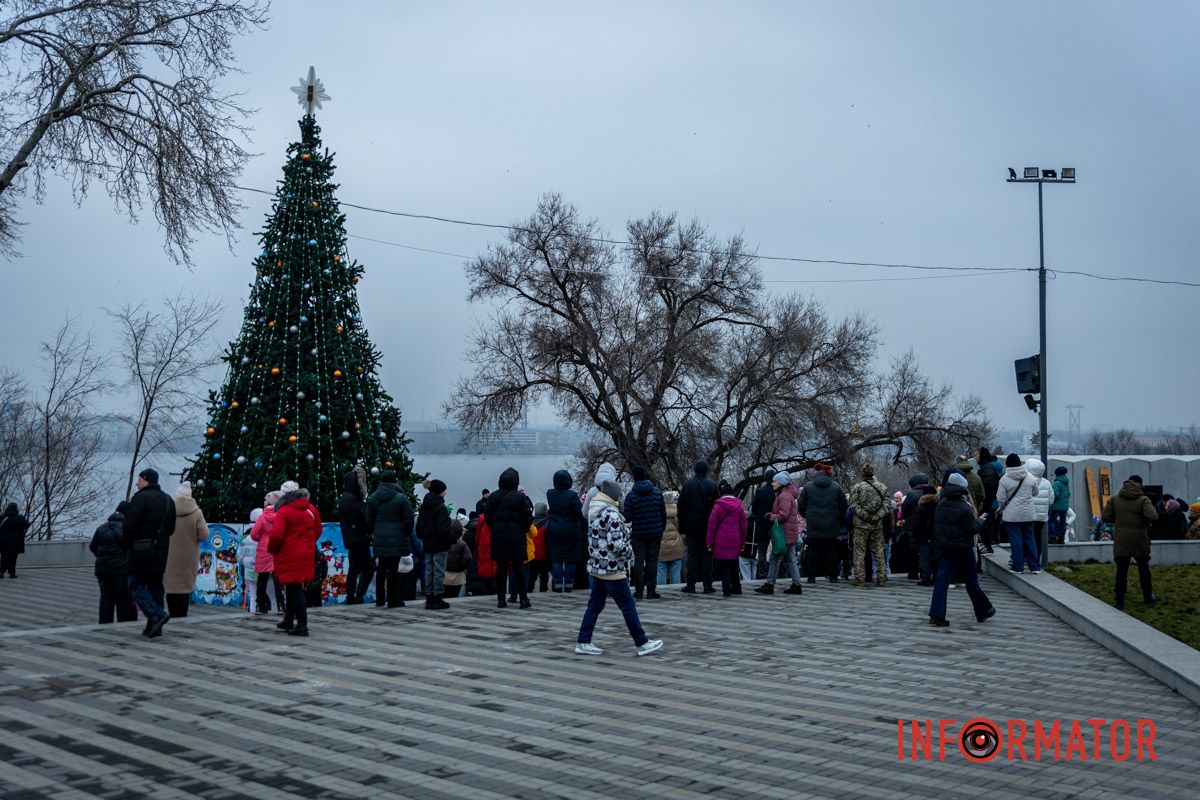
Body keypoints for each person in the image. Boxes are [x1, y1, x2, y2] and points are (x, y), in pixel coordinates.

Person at [574, 479, 663, 657]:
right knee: (628, 605)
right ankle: (642, 642)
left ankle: (583, 641)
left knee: (595, 605)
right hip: (612, 569)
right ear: (614, 496)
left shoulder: (595, 511)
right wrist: (630, 554)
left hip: (598, 567)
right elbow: (617, 544)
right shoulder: (611, 514)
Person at [928, 473, 995, 627]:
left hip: (945, 549)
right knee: (971, 581)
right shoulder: (964, 507)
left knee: (942, 582)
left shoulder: (941, 504)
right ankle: (983, 609)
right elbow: (971, 529)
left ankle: (937, 614)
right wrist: (980, 520)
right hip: (963, 549)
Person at [122, 468, 175, 638]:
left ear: (146, 480)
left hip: (140, 551)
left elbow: (129, 526)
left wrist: (129, 543)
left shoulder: (140, 498)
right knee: (156, 587)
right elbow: (171, 528)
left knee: (134, 585)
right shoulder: (168, 500)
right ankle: (154, 627)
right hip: (161, 552)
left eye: (139, 480)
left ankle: (157, 614)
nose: (137, 483)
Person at [269, 481, 322, 636]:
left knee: (294, 588)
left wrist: (272, 549)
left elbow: (277, 535)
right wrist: (308, 543)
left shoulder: (284, 511)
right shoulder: (311, 509)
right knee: (293, 586)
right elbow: (318, 530)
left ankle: (302, 624)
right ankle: (288, 619)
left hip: (288, 553)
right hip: (305, 552)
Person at [1102, 475, 1159, 610]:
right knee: (1144, 569)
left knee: (1121, 571)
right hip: (1140, 540)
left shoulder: (1115, 500)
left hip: (1122, 540)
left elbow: (1105, 516)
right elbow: (1153, 516)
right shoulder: (1143, 500)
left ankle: (1119, 601)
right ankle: (1147, 597)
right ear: (1140, 485)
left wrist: (1119, 520)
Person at [486, 467, 533, 609]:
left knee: (501, 568)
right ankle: (523, 599)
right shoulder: (520, 498)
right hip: (517, 537)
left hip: (499, 537)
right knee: (518, 567)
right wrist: (521, 530)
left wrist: (496, 529)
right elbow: (528, 518)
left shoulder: (493, 497)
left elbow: (488, 517)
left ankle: (501, 600)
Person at [366, 470, 414, 609]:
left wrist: (373, 531)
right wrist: (405, 532)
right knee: (393, 569)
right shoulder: (401, 497)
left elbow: (368, 517)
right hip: (397, 537)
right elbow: (409, 518)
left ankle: (380, 599)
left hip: (380, 536)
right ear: (395, 481)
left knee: (381, 568)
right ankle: (393, 599)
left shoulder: (374, 497)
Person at [755, 472, 805, 595]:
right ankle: (796, 584)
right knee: (791, 560)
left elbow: (783, 515)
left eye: (775, 481)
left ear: (781, 483)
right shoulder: (788, 495)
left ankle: (769, 584)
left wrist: (770, 516)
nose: (772, 484)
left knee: (774, 558)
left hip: (783, 534)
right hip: (790, 533)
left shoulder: (783, 496)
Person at [797, 463, 848, 584]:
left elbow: (801, 505)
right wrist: (838, 519)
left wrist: (807, 516)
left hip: (814, 525)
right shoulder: (836, 487)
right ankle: (833, 576)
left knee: (813, 550)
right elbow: (844, 506)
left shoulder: (808, 487)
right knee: (831, 551)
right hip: (832, 524)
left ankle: (811, 577)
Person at [622, 465, 666, 600]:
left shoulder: (631, 495)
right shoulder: (657, 493)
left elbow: (627, 517)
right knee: (653, 561)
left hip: (638, 534)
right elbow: (663, 514)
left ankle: (639, 590)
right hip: (655, 532)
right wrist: (660, 528)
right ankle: (651, 590)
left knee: (639, 561)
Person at [164, 482, 207, 619]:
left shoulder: (168, 510)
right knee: (184, 587)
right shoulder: (196, 513)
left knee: (171, 587)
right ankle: (182, 616)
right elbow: (204, 535)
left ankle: (172, 614)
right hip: (189, 556)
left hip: (169, 554)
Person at [90, 503, 137, 623]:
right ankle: (124, 623)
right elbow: (131, 549)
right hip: (121, 570)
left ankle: (104, 625)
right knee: (123, 599)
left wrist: (102, 557)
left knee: (106, 599)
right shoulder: (127, 529)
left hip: (102, 570)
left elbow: (92, 546)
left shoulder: (101, 528)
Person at [677, 459, 719, 594]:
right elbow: (716, 507)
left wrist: (682, 526)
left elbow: (681, 507)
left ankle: (691, 584)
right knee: (707, 556)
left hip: (690, 527)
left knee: (692, 555)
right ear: (706, 470)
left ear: (695, 470)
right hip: (707, 526)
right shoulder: (712, 485)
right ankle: (707, 584)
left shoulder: (688, 485)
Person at [996, 453, 1040, 574]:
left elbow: (1001, 498)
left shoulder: (1004, 479)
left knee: (1016, 540)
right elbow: (1035, 492)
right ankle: (1035, 567)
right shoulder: (1030, 476)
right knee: (1030, 539)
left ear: (1007, 464)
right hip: (1028, 514)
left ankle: (1018, 566)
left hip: (1012, 515)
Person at [848, 463, 890, 588]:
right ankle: (881, 577)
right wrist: (877, 516)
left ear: (862, 473)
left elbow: (853, 505)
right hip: (877, 525)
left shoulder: (857, 487)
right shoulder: (882, 487)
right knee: (878, 551)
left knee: (859, 552)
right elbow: (887, 505)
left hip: (861, 525)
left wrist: (865, 516)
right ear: (873, 473)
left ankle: (859, 578)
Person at [417, 478, 454, 610]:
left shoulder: (423, 507)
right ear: (440, 491)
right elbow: (444, 529)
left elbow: (419, 527)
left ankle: (429, 597)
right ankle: (437, 597)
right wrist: (452, 538)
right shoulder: (441, 508)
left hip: (427, 543)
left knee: (429, 570)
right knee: (438, 570)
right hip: (440, 544)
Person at [706, 482, 747, 597]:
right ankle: (737, 587)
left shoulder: (718, 506)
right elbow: (744, 527)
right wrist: (742, 543)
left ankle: (726, 590)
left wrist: (709, 542)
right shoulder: (739, 506)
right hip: (735, 540)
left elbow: (711, 525)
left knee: (724, 566)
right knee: (734, 563)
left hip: (721, 541)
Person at [546, 470, 585, 592]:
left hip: (554, 529)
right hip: (570, 529)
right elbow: (578, 512)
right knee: (570, 558)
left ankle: (557, 584)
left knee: (556, 558)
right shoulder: (572, 495)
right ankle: (569, 584)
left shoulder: (550, 494)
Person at [339, 470, 373, 605]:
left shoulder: (346, 498)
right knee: (368, 569)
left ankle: (351, 594)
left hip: (351, 538)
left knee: (354, 567)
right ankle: (359, 594)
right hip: (358, 538)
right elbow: (362, 517)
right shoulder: (351, 500)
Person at [250, 491, 285, 614]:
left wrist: (262, 537)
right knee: (278, 579)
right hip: (277, 549)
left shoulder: (262, 517)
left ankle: (261, 606)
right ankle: (281, 605)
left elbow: (253, 535)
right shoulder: (282, 515)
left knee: (262, 579)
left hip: (264, 550)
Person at [1026, 459, 1054, 562]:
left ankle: (1027, 557)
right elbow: (1051, 499)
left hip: (1029, 515)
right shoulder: (1047, 483)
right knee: (1038, 537)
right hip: (1042, 516)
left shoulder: (1027, 482)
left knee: (1028, 537)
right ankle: (1036, 558)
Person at [750, 472, 776, 579]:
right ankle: (776, 573)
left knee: (761, 551)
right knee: (777, 550)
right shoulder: (777, 492)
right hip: (776, 524)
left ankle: (763, 573)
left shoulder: (760, 491)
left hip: (762, 524)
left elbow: (754, 507)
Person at [977, 447, 1001, 552]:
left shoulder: (986, 469)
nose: (974, 457)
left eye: (976, 455)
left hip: (987, 503)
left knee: (985, 524)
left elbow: (989, 487)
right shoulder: (986, 467)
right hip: (990, 502)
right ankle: (988, 545)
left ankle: (988, 546)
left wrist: (983, 501)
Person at [657, 490, 684, 585]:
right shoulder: (677, 511)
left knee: (660, 570)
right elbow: (680, 527)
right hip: (676, 544)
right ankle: (676, 590)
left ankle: (660, 589)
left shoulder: (658, 511)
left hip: (661, 545)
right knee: (676, 570)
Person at [444, 516, 473, 597]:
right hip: (458, 576)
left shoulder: (443, 543)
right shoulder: (462, 544)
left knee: (445, 595)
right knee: (455, 595)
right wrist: (463, 568)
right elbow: (468, 558)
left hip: (444, 575)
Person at [527, 501, 551, 593]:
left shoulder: (530, 522)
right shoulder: (547, 523)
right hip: (544, 554)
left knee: (532, 575)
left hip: (532, 554)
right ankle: (543, 590)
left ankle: (529, 590)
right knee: (544, 574)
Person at [0, 503, 29, 577]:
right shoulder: (20, 518)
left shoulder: (2, 517)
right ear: (16, 509)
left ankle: (1, 572)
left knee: (4, 557)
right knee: (13, 557)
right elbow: (26, 526)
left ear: (7, 508)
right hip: (16, 542)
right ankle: (12, 573)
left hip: (3, 542)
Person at [238, 513, 258, 612]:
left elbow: (239, 554)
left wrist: (243, 562)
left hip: (248, 566)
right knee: (269, 593)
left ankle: (252, 610)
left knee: (252, 593)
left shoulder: (245, 535)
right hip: (262, 566)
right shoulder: (264, 532)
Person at [1049, 467, 1071, 544]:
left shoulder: (1056, 483)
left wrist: (1051, 502)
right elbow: (1068, 494)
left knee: (1050, 521)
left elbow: (1055, 494)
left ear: (1056, 474)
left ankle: (1052, 537)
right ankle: (1061, 539)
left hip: (1055, 507)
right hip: (1064, 507)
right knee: (1062, 523)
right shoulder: (1066, 484)